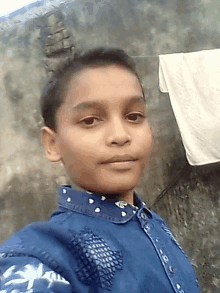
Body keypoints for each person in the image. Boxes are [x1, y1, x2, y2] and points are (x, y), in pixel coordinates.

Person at [0, 47, 201, 293]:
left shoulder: (151, 223)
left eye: (134, 116)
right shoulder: (44, 253)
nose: (120, 135)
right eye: (90, 120)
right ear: (53, 144)